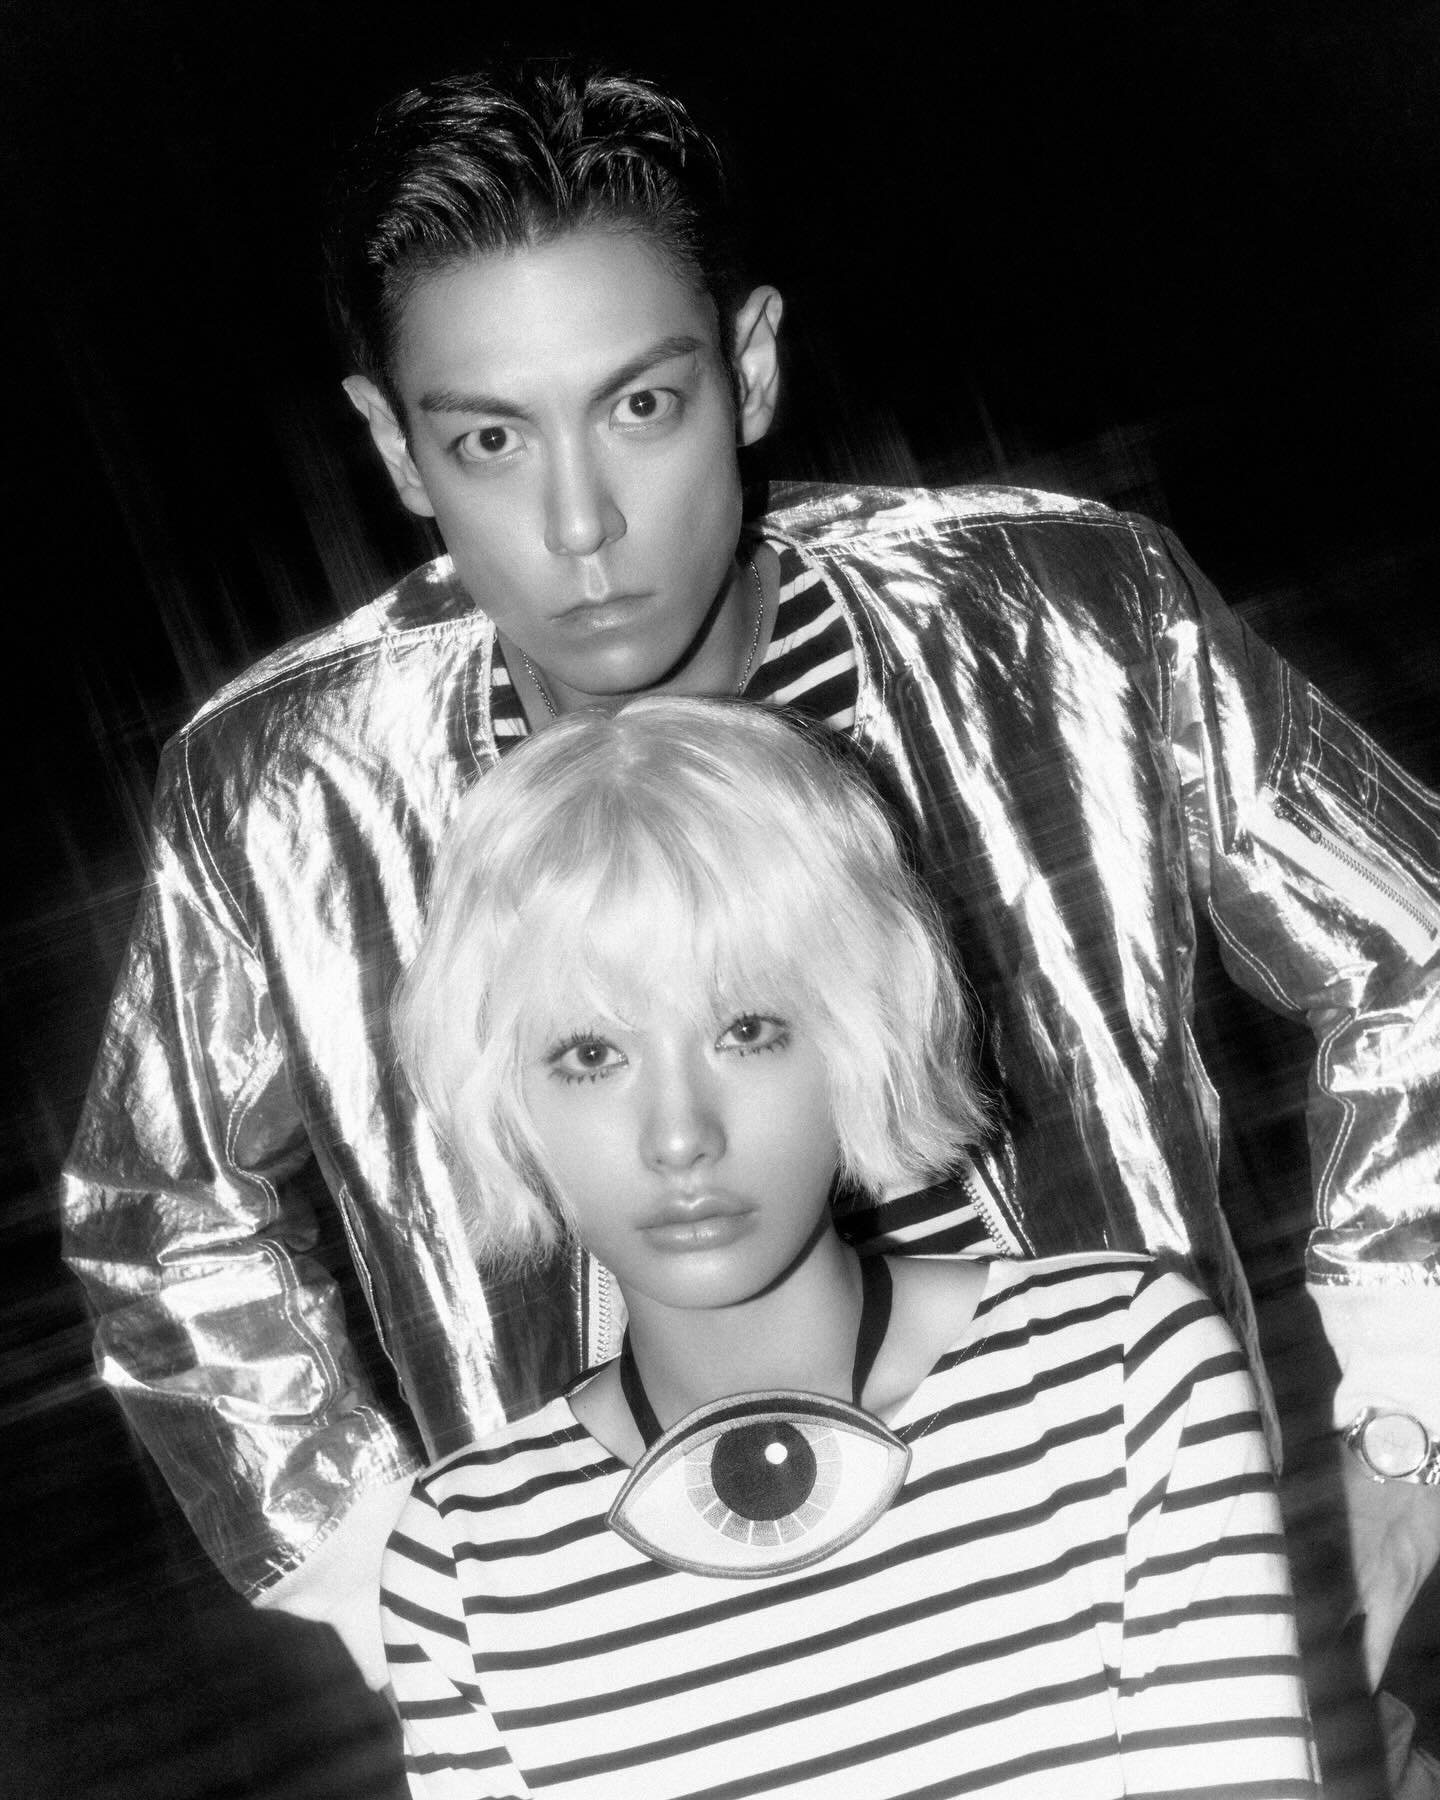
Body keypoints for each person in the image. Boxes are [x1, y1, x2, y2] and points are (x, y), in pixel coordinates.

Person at [61, 58, 1439, 1751]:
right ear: (394, 449)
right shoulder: (288, 791)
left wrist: (1401, 1417)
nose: (580, 524)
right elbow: (158, 1202)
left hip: (1140, 1617)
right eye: (489, 439)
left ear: (753, 364)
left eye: (641, 406)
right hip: (660, 1692)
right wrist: (385, 1572)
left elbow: (1413, 944)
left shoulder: (1061, 618)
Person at [379, 692, 1320, 1799]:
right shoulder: (469, 1556)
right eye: (591, 1055)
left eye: (747, 1032)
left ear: (857, 1031)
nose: (680, 1135)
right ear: (503, 1091)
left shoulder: (1115, 1369)